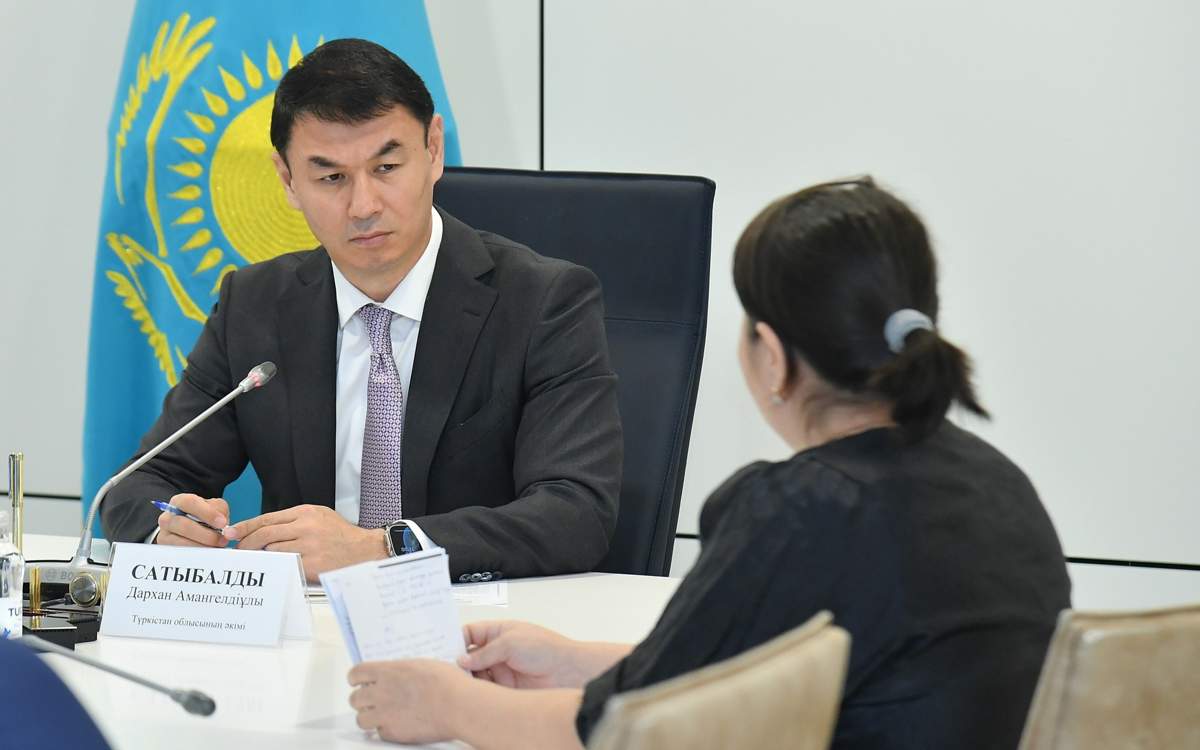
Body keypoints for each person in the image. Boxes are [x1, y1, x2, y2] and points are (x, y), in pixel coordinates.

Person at [343, 178, 1072, 749]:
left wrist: (448, 704)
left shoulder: (801, 509)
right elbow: (751, 673)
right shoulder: (994, 483)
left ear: (773, 356)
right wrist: (575, 662)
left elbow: (623, 734)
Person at [99, 39, 622, 583]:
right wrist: (171, 530)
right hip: (306, 623)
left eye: (387, 166)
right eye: (331, 178)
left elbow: (576, 511)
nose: (364, 206)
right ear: (288, 181)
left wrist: (384, 547)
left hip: (477, 620)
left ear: (433, 150)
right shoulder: (254, 305)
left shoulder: (542, 302)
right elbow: (139, 485)